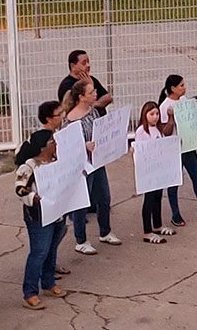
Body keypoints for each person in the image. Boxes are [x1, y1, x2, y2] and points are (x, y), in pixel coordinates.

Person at [15, 104, 69, 310]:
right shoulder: (29, 167)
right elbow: (20, 189)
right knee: (39, 251)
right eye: (51, 142)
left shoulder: (56, 161)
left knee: (52, 248)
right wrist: (34, 198)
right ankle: (30, 292)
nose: (55, 144)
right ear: (42, 147)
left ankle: (48, 283)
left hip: (57, 211)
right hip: (38, 215)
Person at [62, 80, 120, 254]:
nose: (95, 94)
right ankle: (81, 239)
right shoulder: (71, 119)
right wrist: (84, 146)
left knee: (104, 197)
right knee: (82, 203)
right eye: (91, 92)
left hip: (97, 161)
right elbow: (67, 144)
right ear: (81, 97)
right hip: (82, 166)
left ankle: (105, 231)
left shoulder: (93, 112)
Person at [158, 75, 197, 223]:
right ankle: (175, 214)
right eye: (181, 86)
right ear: (173, 89)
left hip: (188, 146)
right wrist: (172, 118)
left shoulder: (184, 101)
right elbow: (165, 131)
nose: (184, 88)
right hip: (174, 148)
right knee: (175, 181)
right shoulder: (165, 106)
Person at [134, 102, 176, 244]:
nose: (155, 117)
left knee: (158, 197)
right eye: (151, 114)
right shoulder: (142, 131)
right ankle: (147, 231)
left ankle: (157, 225)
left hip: (158, 170)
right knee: (149, 199)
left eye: (157, 114)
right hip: (148, 172)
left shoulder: (158, 129)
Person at [57, 50, 113, 116]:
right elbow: (77, 106)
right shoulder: (66, 85)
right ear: (73, 66)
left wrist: (95, 104)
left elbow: (108, 97)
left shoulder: (90, 78)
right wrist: (90, 86)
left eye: (88, 62)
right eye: (84, 63)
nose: (88, 65)